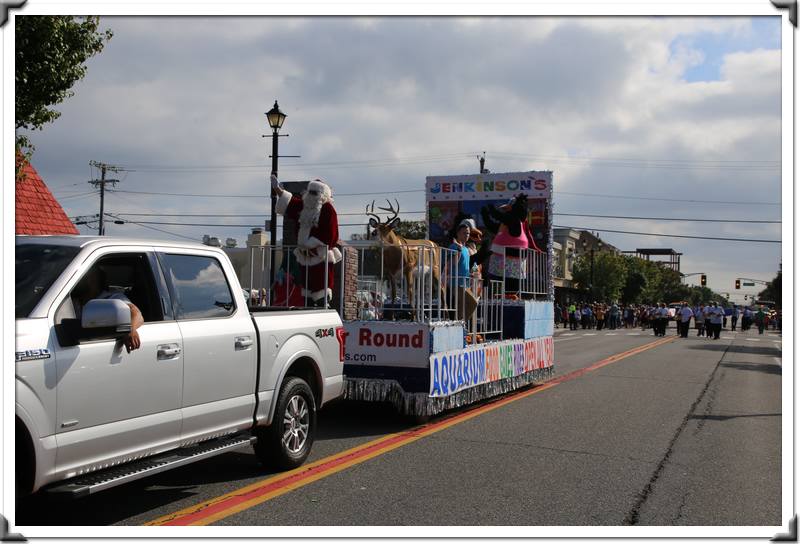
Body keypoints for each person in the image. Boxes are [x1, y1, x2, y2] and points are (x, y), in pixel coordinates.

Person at [272, 174, 342, 307]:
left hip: (321, 257)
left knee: (321, 291)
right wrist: (278, 190)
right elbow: (290, 203)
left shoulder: (328, 209)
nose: (311, 195)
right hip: (305, 258)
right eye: (309, 192)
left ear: (323, 195)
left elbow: (331, 235)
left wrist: (315, 246)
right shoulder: (304, 207)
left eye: (315, 192)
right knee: (307, 293)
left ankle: (323, 312)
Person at [74, 266, 143, 353]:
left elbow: (137, 314)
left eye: (85, 275)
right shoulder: (70, 301)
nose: (79, 280)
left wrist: (130, 330)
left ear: (96, 279)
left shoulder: (113, 298)